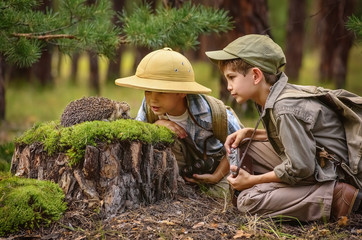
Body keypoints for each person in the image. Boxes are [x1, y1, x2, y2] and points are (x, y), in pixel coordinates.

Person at [205, 34, 362, 221]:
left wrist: (253, 181)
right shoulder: (276, 95)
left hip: (332, 172)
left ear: (256, 75)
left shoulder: (284, 108)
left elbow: (301, 167)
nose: (229, 86)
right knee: (247, 145)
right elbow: (299, 135)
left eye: (232, 77)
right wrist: (250, 133)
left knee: (248, 201)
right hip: (315, 159)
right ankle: (278, 192)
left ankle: (338, 197)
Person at [114, 47, 243, 197]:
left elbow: (239, 145)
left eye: (161, 92)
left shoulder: (210, 113)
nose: (152, 99)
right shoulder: (149, 106)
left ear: (181, 92)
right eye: (148, 91)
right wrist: (157, 126)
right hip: (183, 166)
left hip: (218, 166)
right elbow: (138, 132)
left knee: (218, 196)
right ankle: (175, 185)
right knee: (165, 137)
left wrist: (216, 176)